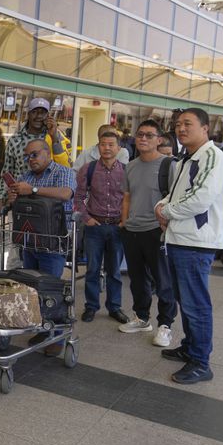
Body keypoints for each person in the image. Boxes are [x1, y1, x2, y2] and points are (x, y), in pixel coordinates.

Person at [155, 107, 223, 384]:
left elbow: (200, 199)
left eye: (188, 123)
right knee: (186, 301)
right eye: (178, 124)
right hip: (179, 239)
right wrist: (162, 207)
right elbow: (175, 195)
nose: (181, 128)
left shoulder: (212, 157)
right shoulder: (188, 158)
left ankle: (201, 361)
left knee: (196, 304)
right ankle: (190, 347)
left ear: (205, 128)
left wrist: (166, 212)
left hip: (195, 243)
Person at [118, 120, 177, 347]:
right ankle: (142, 318)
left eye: (149, 135)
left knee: (163, 281)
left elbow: (177, 198)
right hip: (132, 231)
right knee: (138, 279)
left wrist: (167, 226)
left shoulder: (169, 165)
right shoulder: (131, 166)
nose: (143, 139)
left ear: (159, 140)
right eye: (140, 135)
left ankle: (165, 325)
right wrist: (125, 221)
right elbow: (127, 196)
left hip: (156, 230)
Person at [73, 131, 129, 325]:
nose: (107, 147)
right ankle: (91, 306)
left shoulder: (126, 171)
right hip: (94, 227)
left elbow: (130, 199)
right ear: (98, 147)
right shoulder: (87, 169)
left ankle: (114, 307)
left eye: (111, 144)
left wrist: (124, 220)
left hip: (117, 228)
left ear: (118, 148)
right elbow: (78, 197)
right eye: (103, 144)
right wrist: (86, 218)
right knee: (92, 269)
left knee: (114, 271)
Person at [4, 139, 76, 277]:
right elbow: (19, 206)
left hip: (53, 241)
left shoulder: (63, 172)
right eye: (27, 156)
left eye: (34, 154)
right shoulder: (25, 177)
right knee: (31, 285)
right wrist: (13, 200)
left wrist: (33, 189)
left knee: (48, 286)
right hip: (29, 240)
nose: (30, 159)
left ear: (48, 153)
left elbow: (66, 194)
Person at [0, 97, 71, 220]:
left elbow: (65, 166)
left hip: (48, 203)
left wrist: (54, 136)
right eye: (34, 112)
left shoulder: (55, 136)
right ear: (28, 114)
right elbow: (7, 171)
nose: (38, 116)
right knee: (19, 237)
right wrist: (0, 199)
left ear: (48, 116)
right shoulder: (15, 140)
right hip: (20, 202)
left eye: (43, 112)